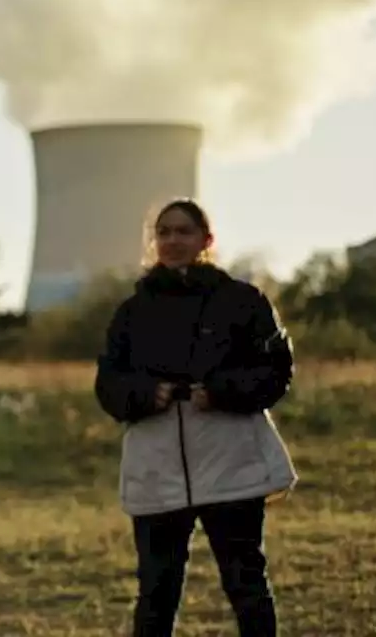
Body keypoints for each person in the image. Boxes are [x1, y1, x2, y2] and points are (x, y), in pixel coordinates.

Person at [94, 198, 298, 637]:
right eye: (163, 232)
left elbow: (275, 371)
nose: (172, 240)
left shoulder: (242, 301)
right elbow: (108, 382)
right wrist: (148, 394)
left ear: (206, 240)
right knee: (156, 587)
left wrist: (222, 391)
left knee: (245, 580)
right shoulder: (132, 312)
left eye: (183, 231)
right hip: (157, 463)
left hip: (229, 459)